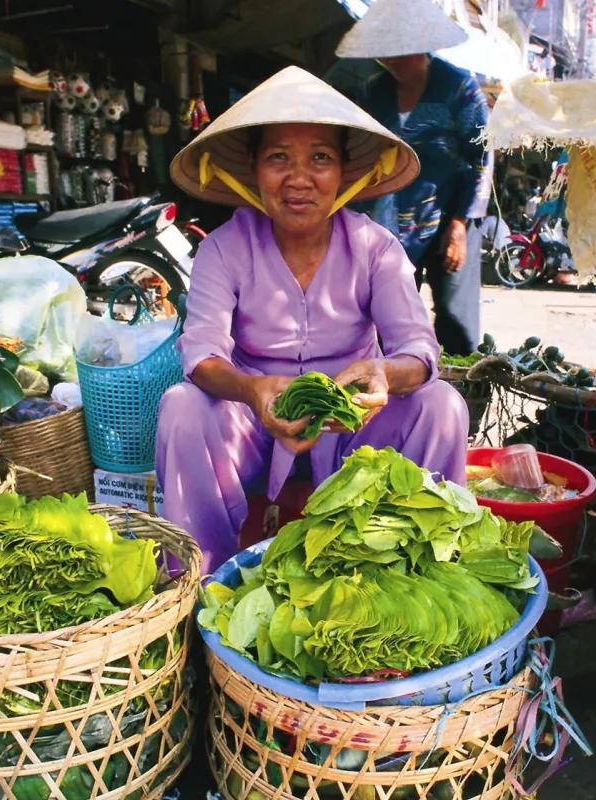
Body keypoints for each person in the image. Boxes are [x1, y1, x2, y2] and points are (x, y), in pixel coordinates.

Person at [157, 66, 470, 572]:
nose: (299, 177)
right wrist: (253, 390)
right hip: (252, 426)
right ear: (254, 171)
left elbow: (418, 349)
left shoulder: (374, 247)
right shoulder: (223, 248)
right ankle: (199, 584)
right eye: (278, 157)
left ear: (343, 172)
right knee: (182, 407)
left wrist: (385, 375)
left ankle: (419, 570)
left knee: (442, 406)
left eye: (319, 158)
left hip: (355, 425)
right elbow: (202, 355)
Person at [336, 0, 492, 357]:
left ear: (421, 46)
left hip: (451, 215)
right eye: (384, 54)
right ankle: (396, 396)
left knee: (455, 317)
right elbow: (362, 150)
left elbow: (481, 156)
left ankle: (466, 400)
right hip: (389, 219)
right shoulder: (374, 91)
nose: (391, 62)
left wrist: (459, 225)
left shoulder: (458, 87)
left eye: (399, 53)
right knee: (389, 317)